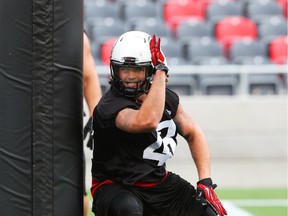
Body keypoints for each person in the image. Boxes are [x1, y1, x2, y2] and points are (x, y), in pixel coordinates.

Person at [90, 31, 227, 216]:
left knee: (208, 213)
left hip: (158, 184)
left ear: (150, 71)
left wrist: (205, 180)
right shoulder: (109, 106)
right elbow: (146, 121)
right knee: (128, 210)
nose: (130, 76)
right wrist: (161, 71)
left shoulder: (167, 99)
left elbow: (193, 132)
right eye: (124, 69)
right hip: (117, 187)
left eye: (137, 69)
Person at [83, 31, 102, 216]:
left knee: (75, 193)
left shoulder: (74, 34)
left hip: (62, 125)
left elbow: (89, 77)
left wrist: (95, 118)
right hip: (15, 124)